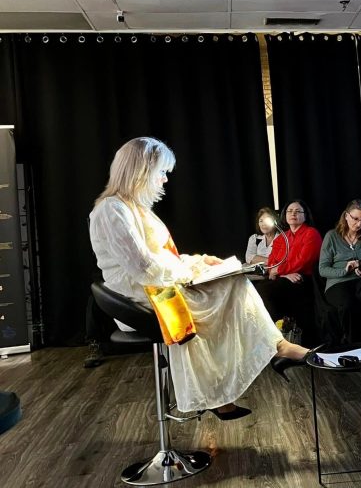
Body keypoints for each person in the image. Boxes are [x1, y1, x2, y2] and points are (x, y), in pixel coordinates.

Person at [88, 137, 309, 421]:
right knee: (228, 287)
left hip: (156, 285)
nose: (165, 179)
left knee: (233, 281)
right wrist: (194, 272)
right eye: (161, 172)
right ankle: (270, 354)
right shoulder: (111, 210)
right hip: (139, 296)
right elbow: (143, 267)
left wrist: (200, 261)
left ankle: (263, 358)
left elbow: (162, 257)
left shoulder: (136, 209)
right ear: (141, 171)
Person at [318, 199, 361, 344]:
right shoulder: (332, 236)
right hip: (338, 282)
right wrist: (345, 270)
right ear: (346, 216)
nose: (359, 224)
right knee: (348, 304)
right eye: (355, 219)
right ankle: (353, 342)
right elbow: (322, 269)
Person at [255, 200, 322, 334]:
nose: (293, 214)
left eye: (297, 211)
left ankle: (277, 332)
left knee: (265, 291)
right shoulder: (282, 237)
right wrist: (282, 273)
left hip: (302, 278)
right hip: (284, 277)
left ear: (305, 215)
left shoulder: (311, 233)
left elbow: (302, 261)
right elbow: (272, 261)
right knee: (256, 289)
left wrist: (278, 270)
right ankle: (275, 331)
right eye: (290, 211)